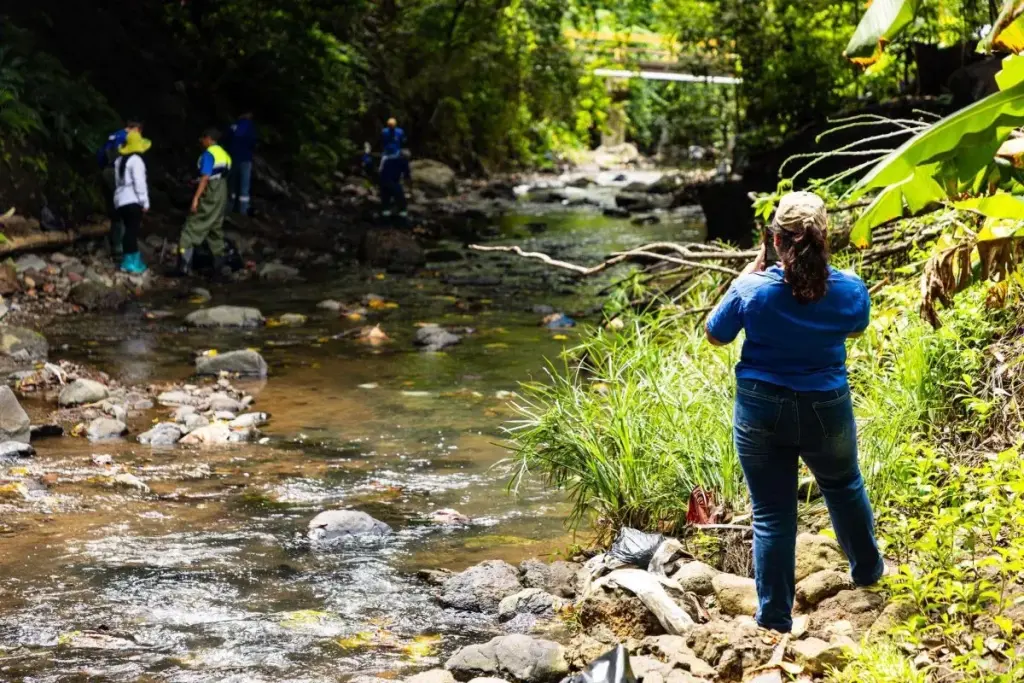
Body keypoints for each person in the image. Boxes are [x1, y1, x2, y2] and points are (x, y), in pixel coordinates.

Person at [704, 191, 884, 633]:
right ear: (825, 239)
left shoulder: (751, 289)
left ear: (775, 240)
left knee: (772, 513)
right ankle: (868, 572)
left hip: (760, 408)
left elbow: (715, 334)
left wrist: (746, 275)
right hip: (827, 405)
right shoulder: (850, 289)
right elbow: (856, 327)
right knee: (843, 485)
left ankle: (774, 618)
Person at [177, 128, 231, 276]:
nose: (201, 141)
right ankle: (220, 266)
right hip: (222, 192)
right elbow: (218, 175)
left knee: (191, 226)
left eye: (203, 138)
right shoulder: (224, 154)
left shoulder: (209, 154)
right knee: (215, 227)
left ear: (209, 139)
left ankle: (184, 266)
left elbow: (206, 177)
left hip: (211, 192)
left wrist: (196, 198)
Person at [97, 119, 143, 262]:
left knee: (114, 212)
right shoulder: (129, 138)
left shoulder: (113, 136)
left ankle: (114, 246)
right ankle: (121, 250)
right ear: (136, 129)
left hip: (106, 172)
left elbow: (100, 155)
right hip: (119, 175)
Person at [112, 130, 152, 274]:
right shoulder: (136, 161)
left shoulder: (118, 161)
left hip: (120, 200)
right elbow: (139, 183)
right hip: (133, 199)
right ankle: (131, 263)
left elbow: (118, 182)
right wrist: (145, 202)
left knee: (128, 230)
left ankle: (129, 260)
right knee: (132, 231)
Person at [225, 111, 257, 215]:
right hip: (246, 159)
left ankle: (229, 208)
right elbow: (253, 142)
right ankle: (243, 210)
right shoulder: (250, 126)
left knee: (232, 185)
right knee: (244, 187)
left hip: (233, 158)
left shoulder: (234, 125)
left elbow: (227, 139)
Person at [379, 150, 411, 220]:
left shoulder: (388, 160)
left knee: (386, 200)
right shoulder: (404, 161)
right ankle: (402, 217)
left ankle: (385, 218)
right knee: (401, 200)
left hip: (383, 182)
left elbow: (381, 171)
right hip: (393, 182)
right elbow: (407, 176)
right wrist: (410, 188)